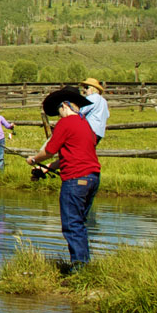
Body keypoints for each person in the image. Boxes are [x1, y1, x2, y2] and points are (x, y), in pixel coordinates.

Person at [26, 86, 100, 267]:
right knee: (80, 223)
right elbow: (71, 155)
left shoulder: (65, 124)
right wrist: (46, 169)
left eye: (59, 110)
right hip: (92, 178)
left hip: (75, 180)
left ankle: (79, 267)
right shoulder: (86, 124)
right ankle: (83, 263)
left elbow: (50, 151)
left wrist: (34, 159)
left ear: (65, 105)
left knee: (71, 224)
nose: (59, 115)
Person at [78, 78, 109, 145]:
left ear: (92, 88)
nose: (84, 90)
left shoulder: (92, 98)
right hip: (100, 132)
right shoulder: (104, 101)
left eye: (86, 87)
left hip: (90, 130)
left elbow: (81, 111)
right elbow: (107, 115)